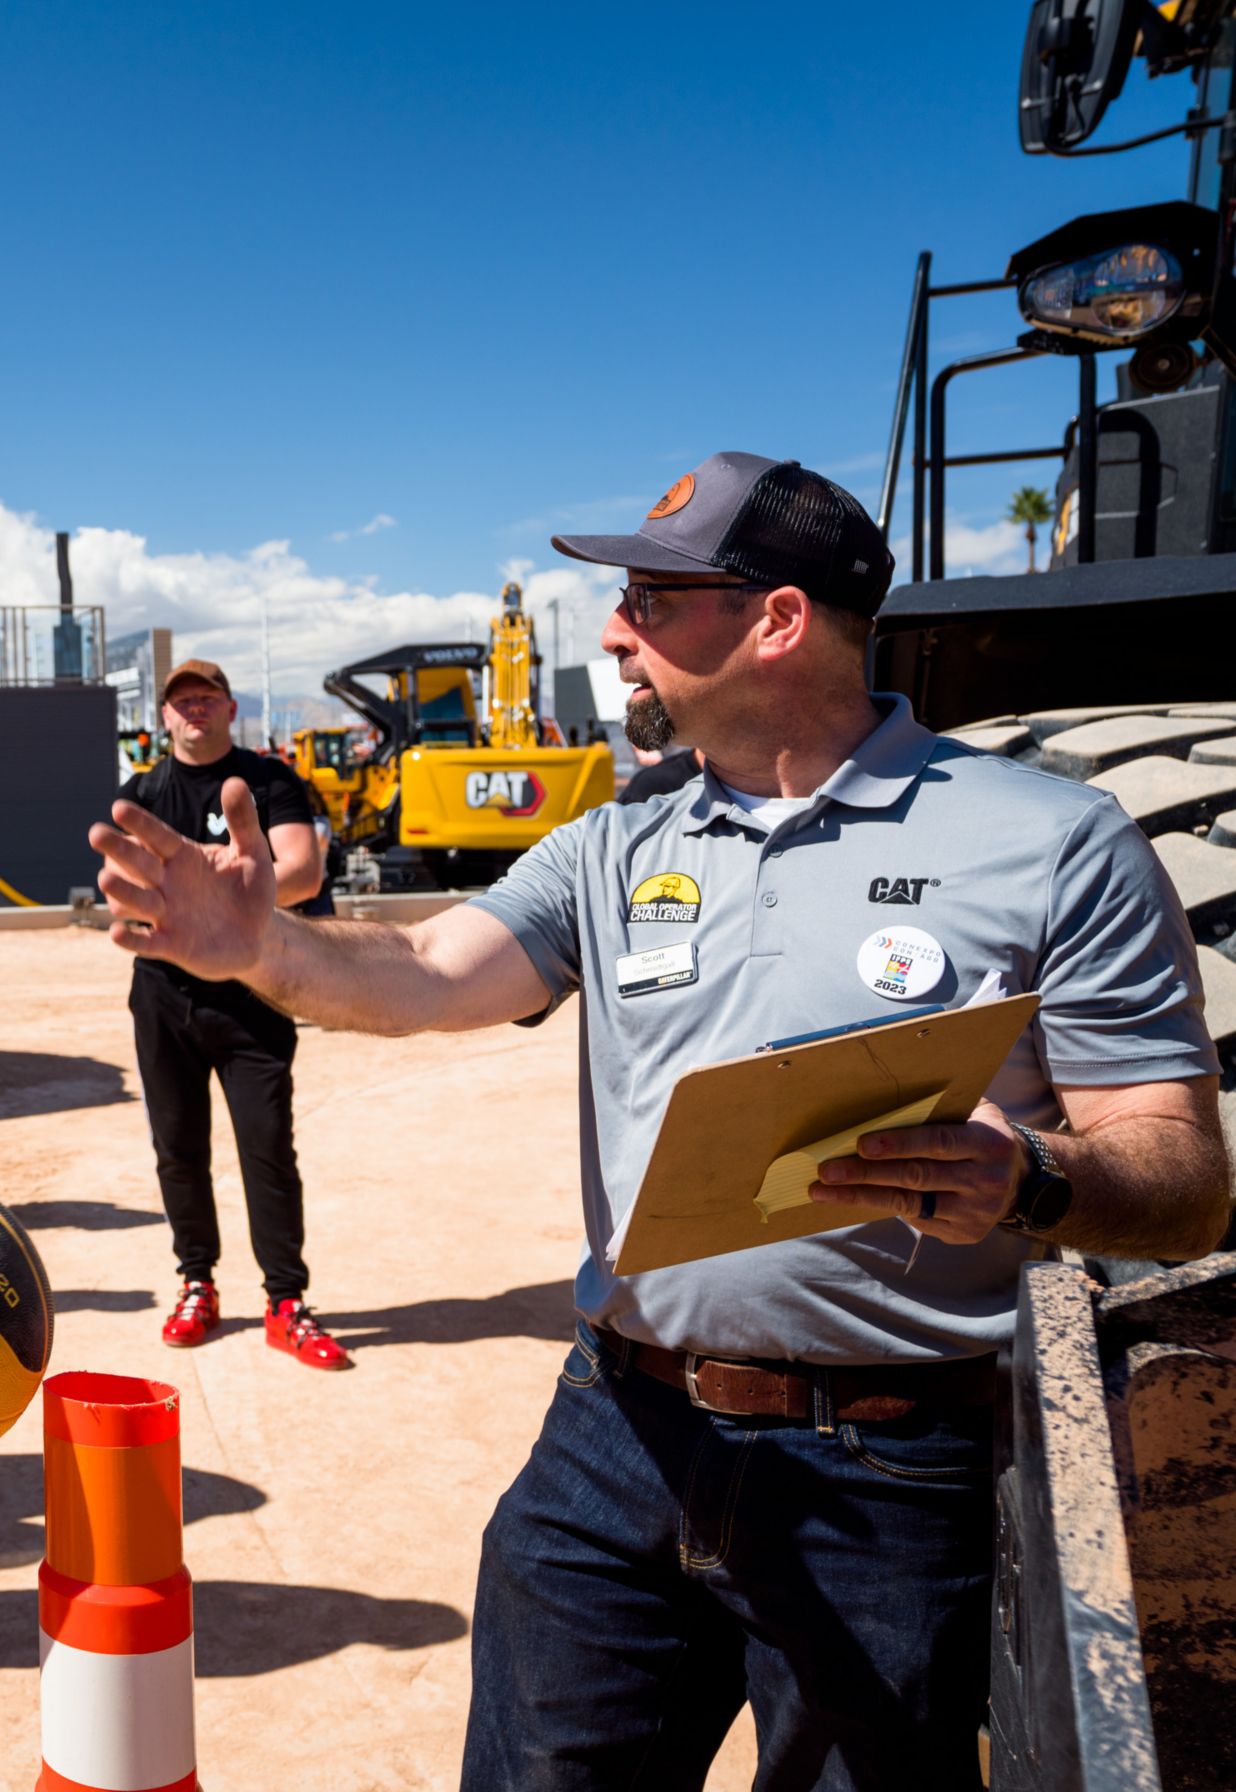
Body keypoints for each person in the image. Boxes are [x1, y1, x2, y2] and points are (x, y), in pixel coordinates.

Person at [88, 452, 1232, 1791]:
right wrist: (262, 950)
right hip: (615, 1439)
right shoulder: (618, 841)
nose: (617, 632)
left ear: (777, 621)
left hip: (891, 1475)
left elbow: (1185, 1181)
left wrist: (1025, 1177)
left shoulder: (1054, 842)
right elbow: (432, 973)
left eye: (652, 598)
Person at [112, 660, 346, 1370]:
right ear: (165, 715)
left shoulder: (267, 780)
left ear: (230, 707)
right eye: (181, 701)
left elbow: (301, 872)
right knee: (177, 1149)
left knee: (267, 1148)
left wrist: (213, 876)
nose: (194, 710)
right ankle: (197, 1283)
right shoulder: (142, 792)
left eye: (206, 698)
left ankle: (285, 1301)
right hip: (164, 995)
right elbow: (126, 892)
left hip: (252, 992)